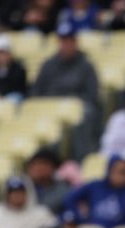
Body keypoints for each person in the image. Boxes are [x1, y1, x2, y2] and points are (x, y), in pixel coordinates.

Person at [31, 23, 99, 159]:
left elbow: (92, 94)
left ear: (75, 42)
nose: (66, 45)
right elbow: (36, 92)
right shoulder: (48, 65)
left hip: (75, 108)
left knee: (86, 113)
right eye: (63, 41)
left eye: (69, 41)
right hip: (50, 107)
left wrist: (72, 103)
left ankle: (80, 158)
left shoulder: (86, 66)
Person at [64, 155, 125, 228]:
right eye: (121, 171)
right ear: (109, 170)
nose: (124, 176)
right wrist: (81, 218)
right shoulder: (96, 186)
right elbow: (70, 199)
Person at [24, 148, 69, 215]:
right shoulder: (21, 186)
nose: (38, 168)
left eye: (43, 164)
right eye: (34, 164)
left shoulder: (64, 190)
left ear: (54, 168)